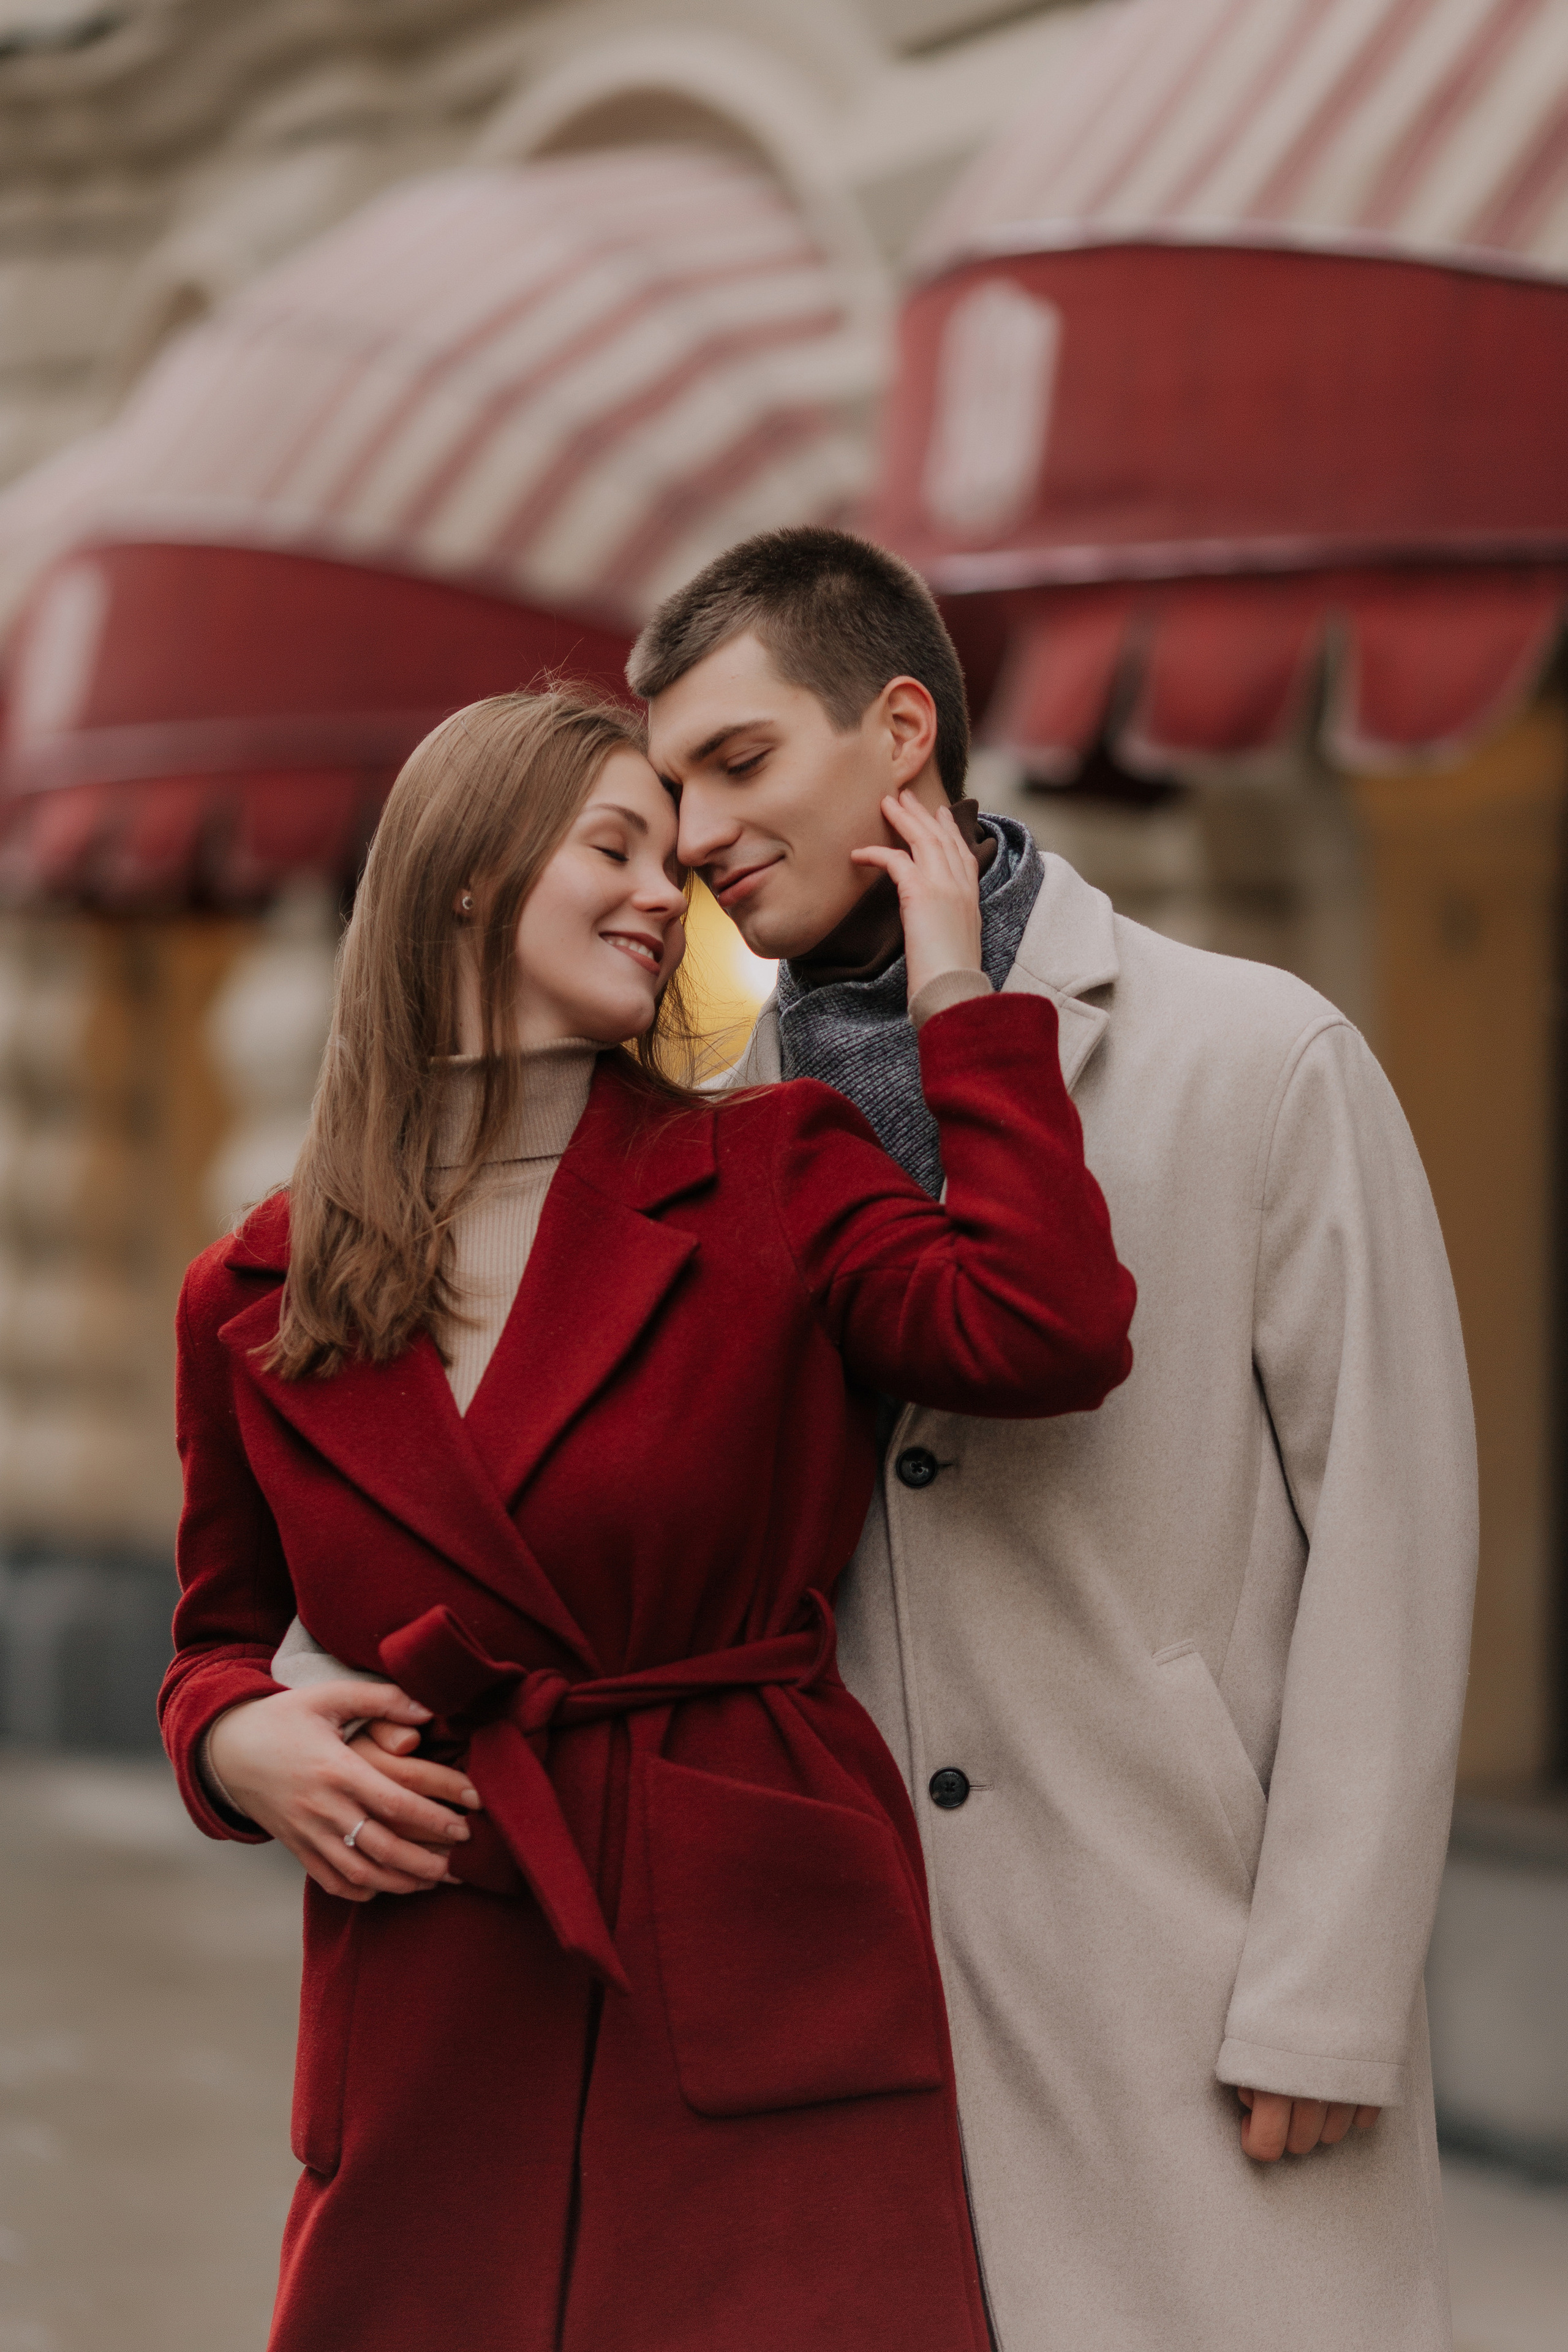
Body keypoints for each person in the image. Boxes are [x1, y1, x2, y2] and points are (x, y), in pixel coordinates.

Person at [159, 686, 1136, 2352]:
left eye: (668, 866)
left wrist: (959, 992)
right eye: (611, 847)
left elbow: (1043, 1331)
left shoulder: (778, 1168)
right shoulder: (255, 1291)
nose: (661, 893)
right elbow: (212, 1646)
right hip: (438, 1974)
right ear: (467, 881)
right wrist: (238, 1749)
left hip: (753, 1940)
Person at [620, 529, 1476, 2352]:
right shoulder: (708, 1132)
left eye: (741, 762)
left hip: (1192, 1978)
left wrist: (1324, 1992)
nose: (693, 834)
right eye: (672, 785)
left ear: (903, 730)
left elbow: (1396, 1545)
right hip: (848, 2023)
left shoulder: (1259, 1056)